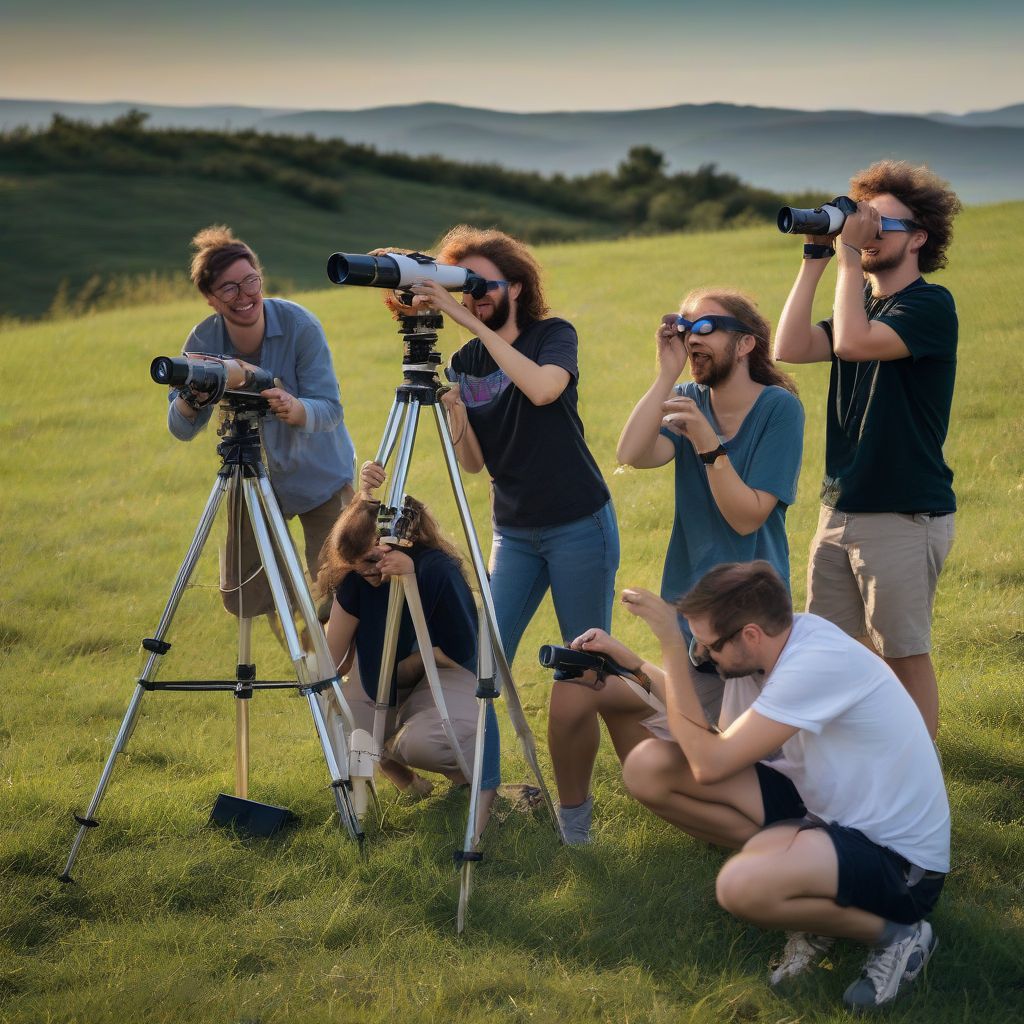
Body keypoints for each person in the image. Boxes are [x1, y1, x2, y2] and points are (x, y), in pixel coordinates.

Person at [578, 562, 949, 1012]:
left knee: (741, 888)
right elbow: (717, 739)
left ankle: (899, 936)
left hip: (898, 859)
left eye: (709, 645)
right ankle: (806, 890)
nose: (703, 655)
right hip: (827, 813)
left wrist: (671, 646)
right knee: (648, 766)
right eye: (695, 644)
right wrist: (633, 664)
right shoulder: (772, 652)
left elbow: (709, 765)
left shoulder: (813, 664)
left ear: (750, 635)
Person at [546, 290, 801, 842]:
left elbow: (746, 516)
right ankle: (580, 826)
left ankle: (772, 837)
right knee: (582, 684)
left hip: (750, 630)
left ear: (747, 341)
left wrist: (708, 445)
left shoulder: (779, 409)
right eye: (683, 326)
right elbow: (632, 453)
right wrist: (665, 377)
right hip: (690, 623)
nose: (691, 337)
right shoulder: (687, 397)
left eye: (706, 325)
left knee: (743, 761)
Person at [401, 225, 620, 840]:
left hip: (580, 523)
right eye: (463, 286)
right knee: (485, 667)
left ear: (516, 285)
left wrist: (468, 323)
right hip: (515, 533)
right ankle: (486, 802)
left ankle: (576, 819)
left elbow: (545, 389)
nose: (472, 296)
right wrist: (455, 417)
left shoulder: (554, 336)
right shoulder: (466, 361)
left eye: (482, 284)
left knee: (581, 664)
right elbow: (474, 463)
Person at [774, 161, 963, 737]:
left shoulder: (931, 306)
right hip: (841, 508)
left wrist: (851, 255)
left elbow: (853, 345)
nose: (871, 230)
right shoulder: (865, 307)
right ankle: (854, 765)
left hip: (902, 511)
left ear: (920, 237)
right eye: (865, 219)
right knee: (831, 650)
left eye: (885, 223)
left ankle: (918, 782)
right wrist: (817, 257)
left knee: (902, 654)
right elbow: (789, 344)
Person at [166, 225, 356, 627]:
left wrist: (294, 408)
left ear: (261, 277)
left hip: (319, 475)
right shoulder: (203, 340)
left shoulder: (300, 326)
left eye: (250, 281)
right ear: (210, 298)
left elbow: (330, 409)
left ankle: (341, 680)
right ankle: (301, 663)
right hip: (249, 475)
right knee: (250, 593)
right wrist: (191, 396)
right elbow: (181, 428)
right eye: (228, 288)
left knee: (342, 589)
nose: (244, 295)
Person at [318, 489, 499, 810]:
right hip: (387, 681)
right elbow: (328, 661)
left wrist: (410, 581)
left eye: (373, 561)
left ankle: (469, 781)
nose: (368, 573)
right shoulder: (357, 579)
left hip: (444, 674)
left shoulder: (436, 569)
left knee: (422, 743)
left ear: (402, 540)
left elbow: (462, 649)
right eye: (357, 566)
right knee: (341, 728)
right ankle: (396, 769)